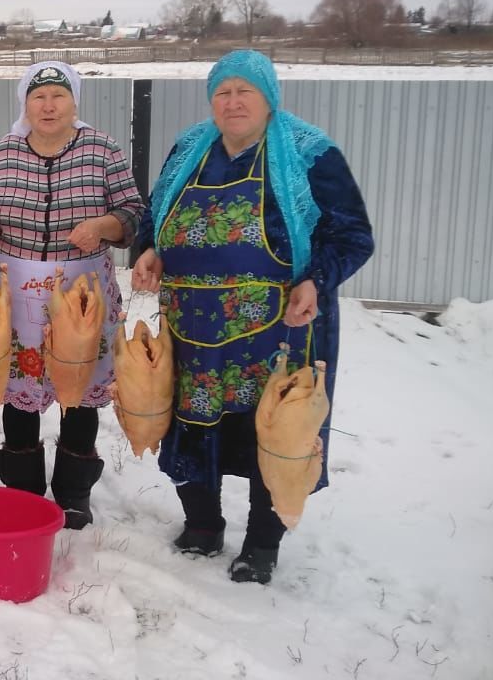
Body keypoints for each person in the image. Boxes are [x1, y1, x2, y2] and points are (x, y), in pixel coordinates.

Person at [132, 50, 373, 584]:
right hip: (194, 328)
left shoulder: (309, 154)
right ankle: (202, 524)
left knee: (275, 429)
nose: (233, 101)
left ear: (269, 97)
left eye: (246, 91)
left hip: (279, 328)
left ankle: (262, 543)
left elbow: (354, 235)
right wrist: (148, 250)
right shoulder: (190, 149)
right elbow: (154, 215)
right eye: (222, 92)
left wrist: (317, 278)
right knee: (191, 421)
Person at [0, 61, 144, 529]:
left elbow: (131, 212)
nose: (48, 106)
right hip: (15, 288)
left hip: (81, 292)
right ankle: (24, 492)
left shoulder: (102, 150)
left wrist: (105, 225)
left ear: (74, 102)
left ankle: (72, 493)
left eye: (58, 96)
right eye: (38, 97)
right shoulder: (5, 152)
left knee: (79, 391)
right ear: (25, 104)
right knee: (18, 387)